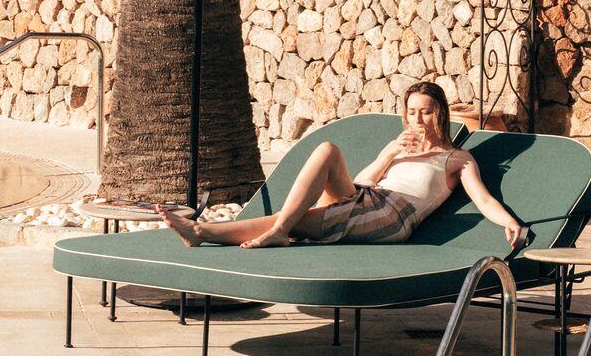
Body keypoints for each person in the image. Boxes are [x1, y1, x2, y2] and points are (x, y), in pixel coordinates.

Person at [159, 80, 529, 251]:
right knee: (327, 150)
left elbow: (483, 200)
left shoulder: (456, 159)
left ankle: (207, 232)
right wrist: (388, 155)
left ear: (441, 114)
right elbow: (363, 181)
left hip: (393, 216)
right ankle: (238, 231)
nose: (418, 119)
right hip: (368, 198)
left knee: (293, 219)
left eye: (426, 112)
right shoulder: (398, 145)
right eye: (412, 112)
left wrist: (509, 222)